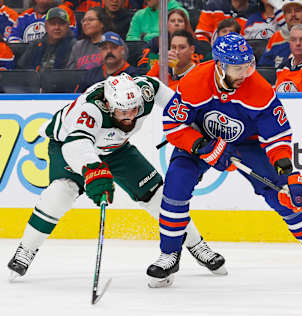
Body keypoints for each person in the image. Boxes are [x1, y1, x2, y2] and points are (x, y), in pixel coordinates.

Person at [145, 33, 302, 287]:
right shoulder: (195, 81)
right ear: (220, 65)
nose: (245, 73)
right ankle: (169, 254)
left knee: (282, 193)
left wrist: (287, 172)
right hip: (200, 140)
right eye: (237, 68)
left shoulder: (260, 89)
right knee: (175, 186)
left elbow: (277, 138)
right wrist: (203, 147)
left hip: (247, 144)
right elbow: (174, 125)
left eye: (247, 66)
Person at [7, 73, 227, 281]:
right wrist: (94, 170)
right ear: (108, 105)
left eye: (134, 109)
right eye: (123, 112)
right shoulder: (90, 110)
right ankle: (26, 249)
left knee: (158, 196)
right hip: (67, 144)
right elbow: (76, 146)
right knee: (61, 193)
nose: (131, 116)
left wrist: (195, 127)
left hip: (116, 149)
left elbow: (171, 99)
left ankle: (197, 245)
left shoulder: (145, 92)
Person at [259, 0, 302, 68]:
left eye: (297, 11)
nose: (293, 14)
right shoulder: (275, 37)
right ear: (284, 16)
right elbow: (264, 67)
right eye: (289, 12)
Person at [7, 1, 77, 43]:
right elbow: (13, 38)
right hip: (29, 57)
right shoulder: (24, 16)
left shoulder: (63, 11)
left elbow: (71, 38)